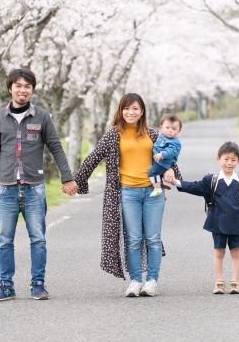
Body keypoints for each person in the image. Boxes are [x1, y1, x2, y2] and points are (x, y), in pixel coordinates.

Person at [61, 93, 181, 297]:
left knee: (153, 238)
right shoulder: (113, 135)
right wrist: (75, 181)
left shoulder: (153, 135)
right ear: (120, 111)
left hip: (154, 192)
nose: (130, 112)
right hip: (128, 193)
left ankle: (151, 281)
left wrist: (170, 170)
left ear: (142, 111)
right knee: (133, 238)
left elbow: (170, 154)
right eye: (126, 108)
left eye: (135, 108)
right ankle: (135, 281)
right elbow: (93, 158)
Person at [0, 68, 73, 302]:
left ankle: (38, 284)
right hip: (5, 187)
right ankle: (6, 285)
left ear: (32, 90)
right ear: (10, 89)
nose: (22, 90)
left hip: (34, 187)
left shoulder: (42, 117)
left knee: (38, 238)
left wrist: (67, 177)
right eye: (18, 86)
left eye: (27, 87)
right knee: (4, 238)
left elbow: (56, 147)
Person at [164, 141, 239, 295]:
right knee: (219, 253)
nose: (229, 163)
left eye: (233, 160)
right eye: (226, 159)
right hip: (217, 222)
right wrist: (176, 182)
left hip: (235, 222)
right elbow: (195, 187)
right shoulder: (211, 179)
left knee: (236, 253)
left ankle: (235, 282)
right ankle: (219, 282)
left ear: (238, 161)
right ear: (219, 159)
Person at [147, 114, 182, 197]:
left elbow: (171, 152)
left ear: (179, 131)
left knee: (152, 172)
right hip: (158, 160)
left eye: (174, 129)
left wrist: (162, 154)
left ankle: (157, 188)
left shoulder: (175, 142)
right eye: (167, 128)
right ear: (161, 128)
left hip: (163, 163)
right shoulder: (161, 136)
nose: (170, 130)